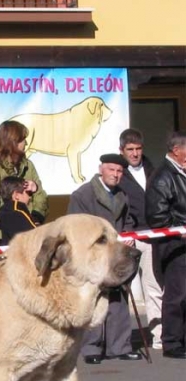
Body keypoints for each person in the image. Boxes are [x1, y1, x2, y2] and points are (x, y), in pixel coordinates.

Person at [68, 153, 142, 364]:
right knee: (93, 298)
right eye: (111, 169)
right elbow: (76, 225)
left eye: (119, 172)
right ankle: (91, 347)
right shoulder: (83, 195)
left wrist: (128, 237)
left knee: (119, 298)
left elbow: (128, 221)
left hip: (117, 255)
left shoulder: (123, 195)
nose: (116, 175)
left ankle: (119, 346)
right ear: (101, 169)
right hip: (94, 255)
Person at [118, 129, 163, 349]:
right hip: (128, 237)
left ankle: (159, 334)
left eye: (138, 149)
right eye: (130, 149)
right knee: (121, 289)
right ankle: (121, 340)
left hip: (152, 235)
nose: (135, 153)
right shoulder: (118, 174)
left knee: (154, 286)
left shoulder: (152, 169)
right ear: (122, 151)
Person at [145, 131, 186, 359]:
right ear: (176, 150)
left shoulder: (181, 173)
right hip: (174, 245)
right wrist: (180, 231)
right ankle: (171, 342)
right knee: (176, 295)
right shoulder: (163, 177)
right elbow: (157, 217)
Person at [0, 120, 48, 243]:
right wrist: (16, 221)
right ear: (12, 142)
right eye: (22, 139)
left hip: (32, 233)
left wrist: (35, 218)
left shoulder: (28, 165)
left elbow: (40, 195)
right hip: (4, 236)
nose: (26, 143)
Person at [0, 176, 37, 245]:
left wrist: (34, 186)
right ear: (16, 195)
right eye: (28, 193)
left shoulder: (5, 210)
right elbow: (34, 236)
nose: (30, 197)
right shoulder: (17, 213)